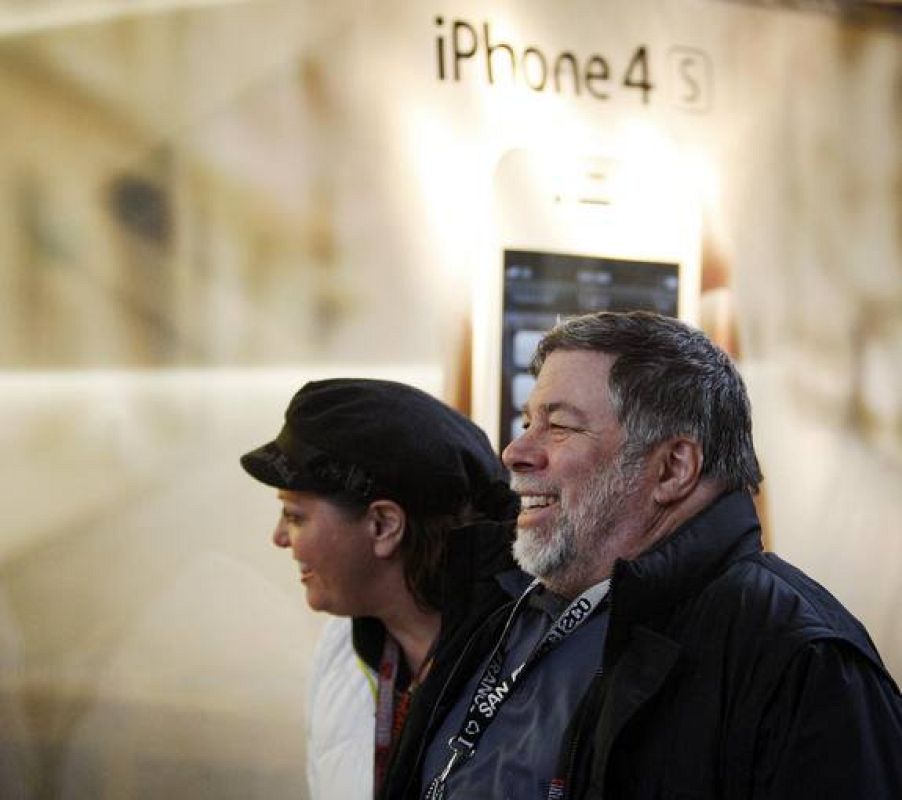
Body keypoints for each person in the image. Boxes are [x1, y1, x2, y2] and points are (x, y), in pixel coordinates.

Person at [418, 311, 902, 800]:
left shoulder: (803, 661)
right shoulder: (511, 612)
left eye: (559, 425)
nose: (515, 451)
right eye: (528, 422)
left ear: (672, 468)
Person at [239, 378, 521, 800]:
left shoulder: (530, 664)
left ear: (383, 525)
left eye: (295, 516)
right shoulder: (342, 647)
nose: (279, 538)